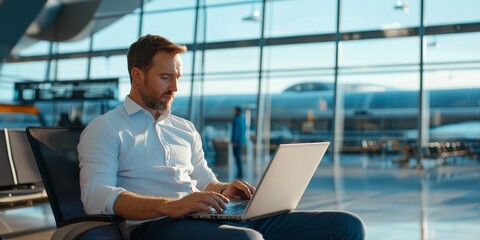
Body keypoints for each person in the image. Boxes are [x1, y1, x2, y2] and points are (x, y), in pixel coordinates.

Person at [78, 34, 365, 240]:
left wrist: (227, 190)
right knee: (247, 239)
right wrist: (170, 206)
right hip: (154, 226)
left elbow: (206, 181)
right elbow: (95, 195)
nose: (175, 86)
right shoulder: (106, 128)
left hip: (203, 219)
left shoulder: (184, 129)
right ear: (138, 76)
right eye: (165, 77)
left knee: (345, 226)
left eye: (178, 76)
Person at [231, 106, 246, 179]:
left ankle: (239, 174)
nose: (233, 112)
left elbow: (236, 131)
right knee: (239, 158)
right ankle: (240, 173)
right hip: (241, 141)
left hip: (237, 142)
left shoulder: (236, 119)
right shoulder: (242, 118)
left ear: (237, 111)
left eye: (234, 110)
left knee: (238, 158)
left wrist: (234, 141)